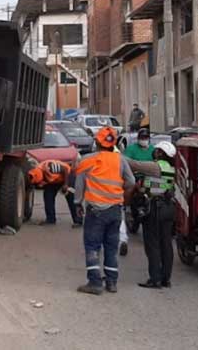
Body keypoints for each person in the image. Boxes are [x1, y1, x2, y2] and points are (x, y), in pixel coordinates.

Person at [74, 126, 135, 295]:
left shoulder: (87, 159)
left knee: (92, 245)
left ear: (97, 143)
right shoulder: (120, 160)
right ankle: (111, 282)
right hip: (115, 210)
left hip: (96, 211)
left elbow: (79, 184)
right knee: (111, 246)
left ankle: (94, 282)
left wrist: (78, 203)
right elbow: (131, 182)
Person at [127, 141, 177, 289]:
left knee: (153, 244)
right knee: (166, 244)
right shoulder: (170, 168)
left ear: (161, 153)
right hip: (168, 208)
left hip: (155, 209)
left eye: (156, 150)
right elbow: (160, 186)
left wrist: (116, 155)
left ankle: (155, 279)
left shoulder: (155, 166)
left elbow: (133, 164)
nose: (154, 152)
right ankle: (165, 279)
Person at [28, 160, 83, 227]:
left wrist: (66, 184)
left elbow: (65, 169)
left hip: (67, 176)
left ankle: (78, 220)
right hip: (54, 180)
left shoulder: (50, 167)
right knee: (48, 196)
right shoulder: (35, 173)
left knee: (72, 197)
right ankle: (50, 219)